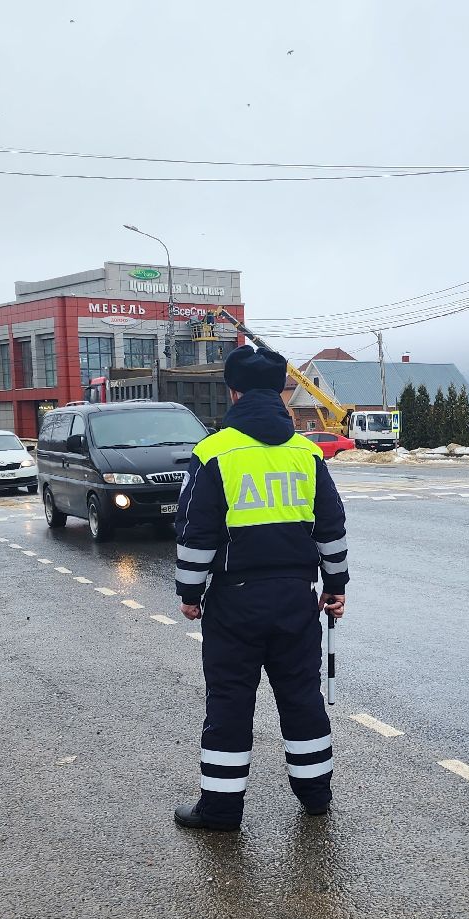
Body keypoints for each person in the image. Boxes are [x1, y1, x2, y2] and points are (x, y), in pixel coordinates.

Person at [172, 344, 350, 831]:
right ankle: (316, 796)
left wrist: (190, 593)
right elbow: (331, 529)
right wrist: (335, 586)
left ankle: (222, 809)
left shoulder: (214, 454)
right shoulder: (306, 453)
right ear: (282, 392)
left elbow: (196, 533)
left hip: (235, 600)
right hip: (296, 598)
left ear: (232, 392)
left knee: (230, 701)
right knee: (301, 697)